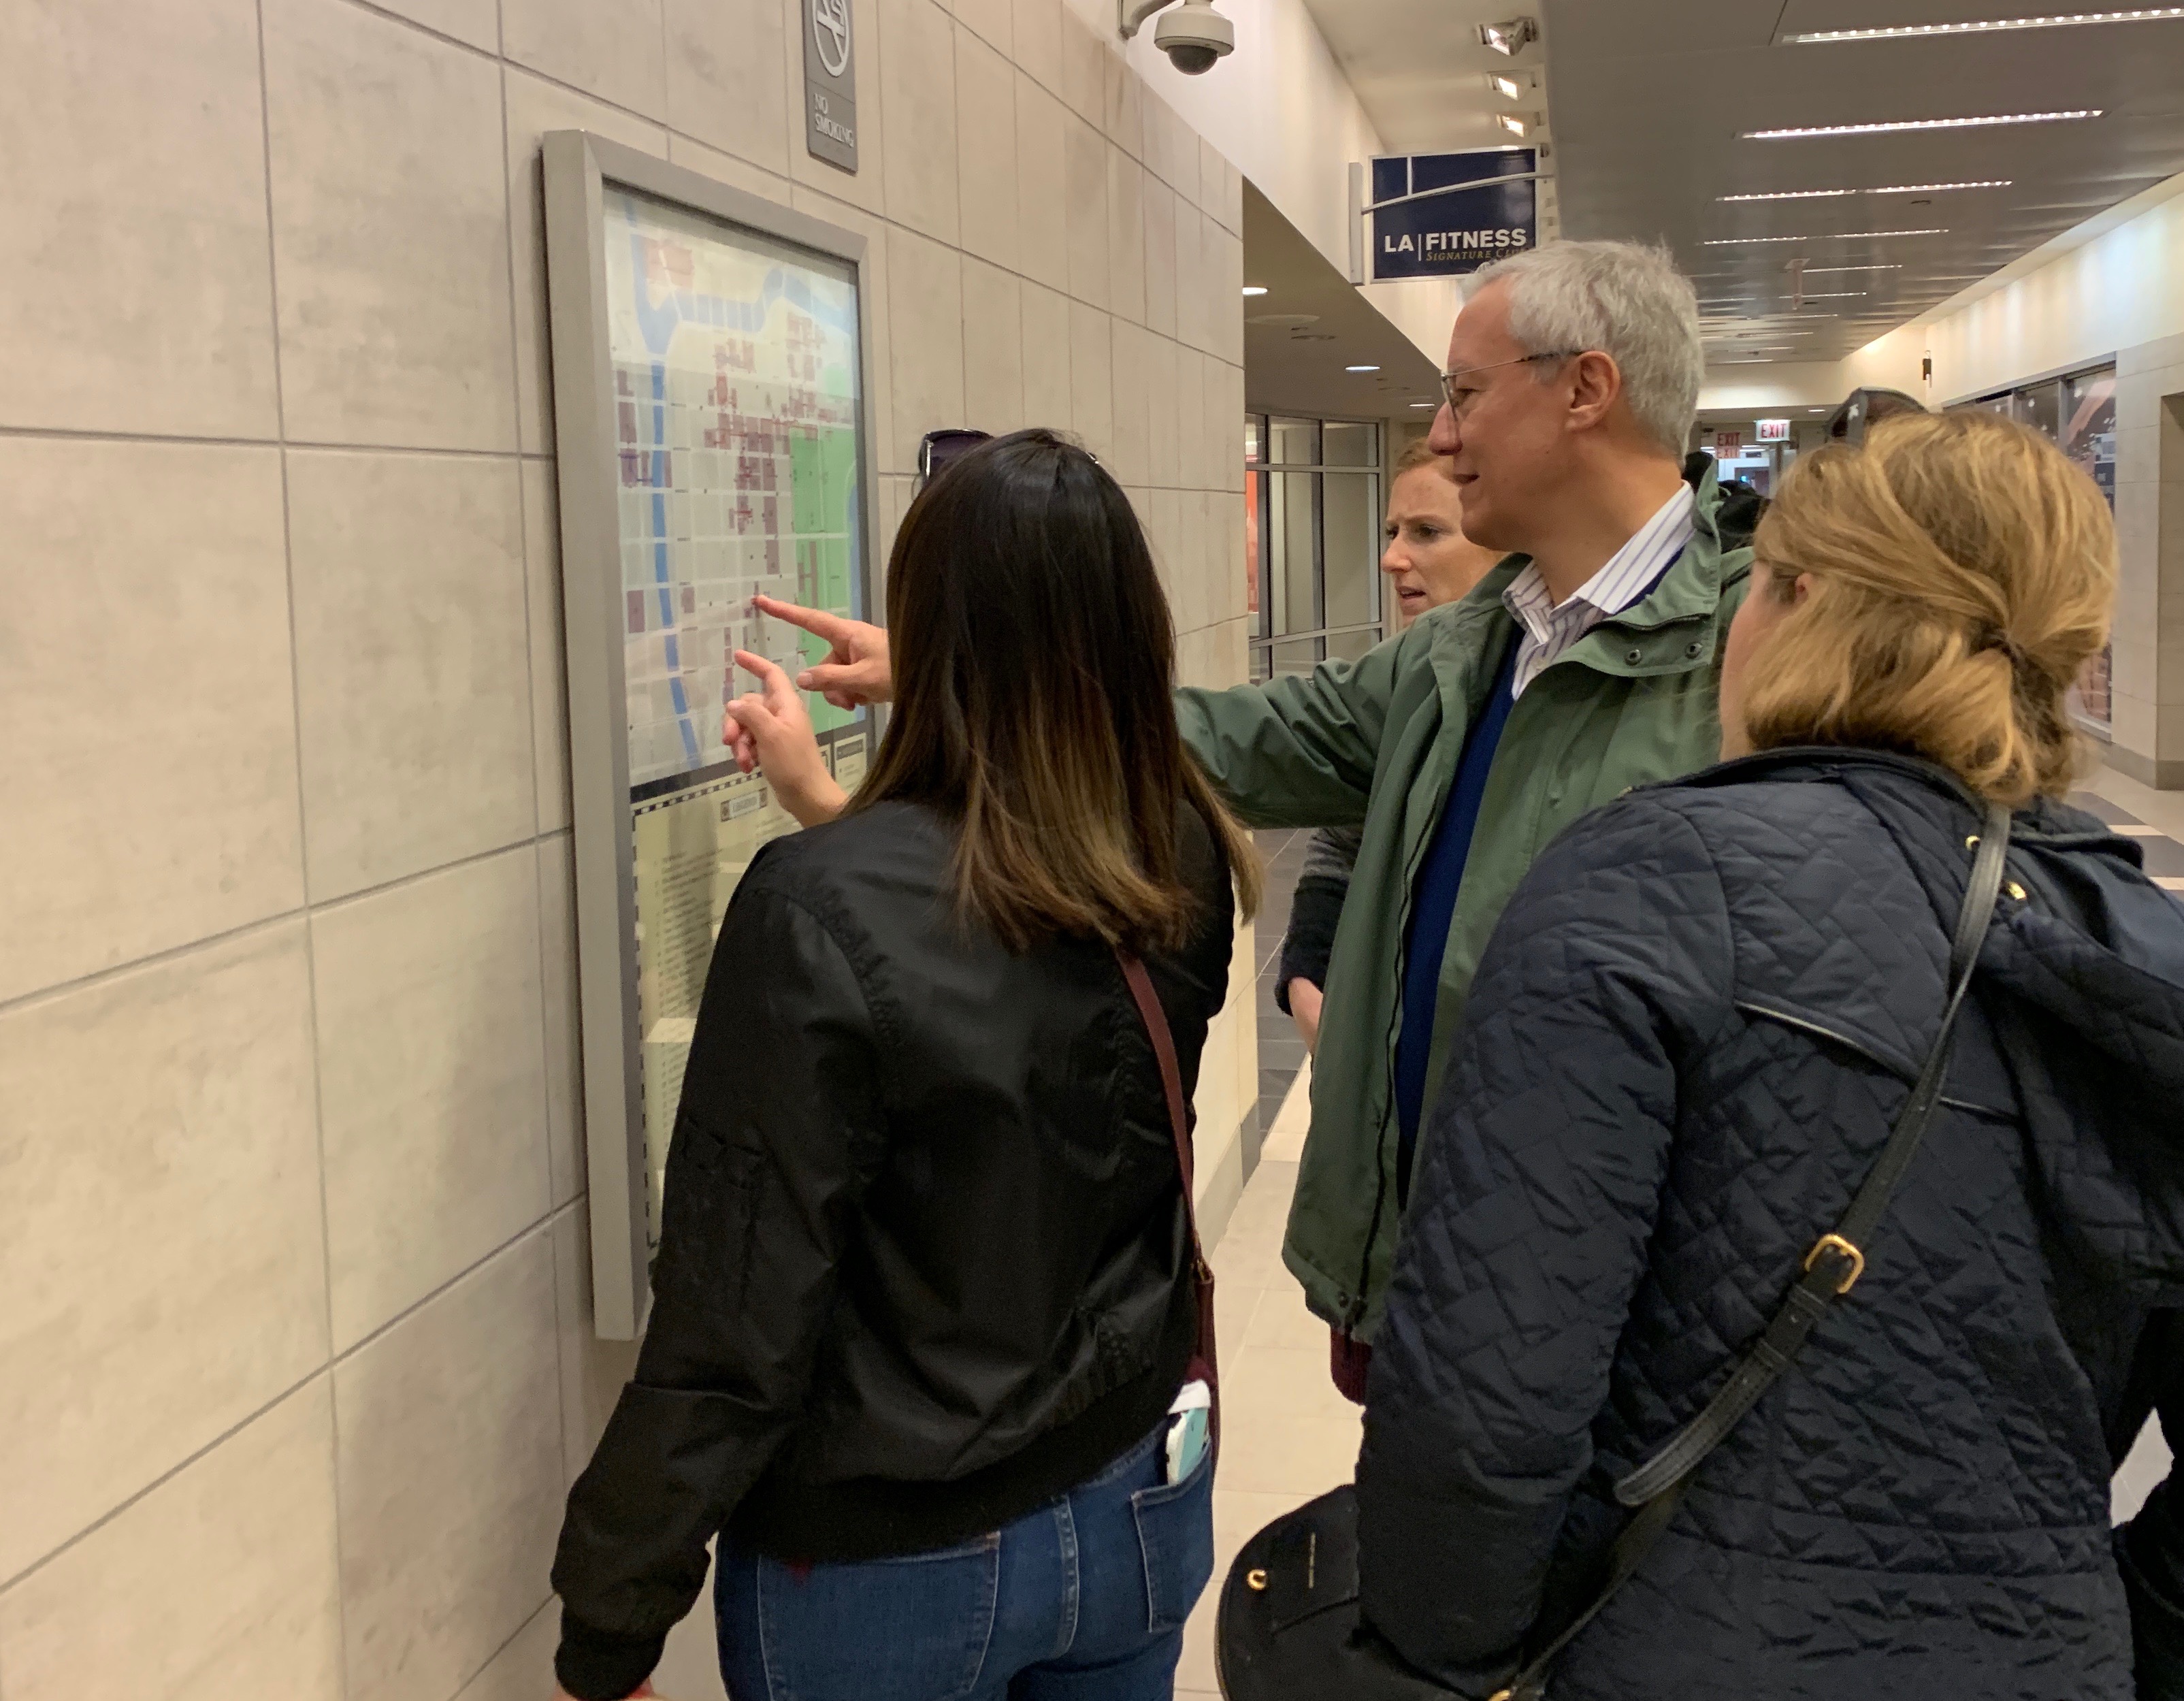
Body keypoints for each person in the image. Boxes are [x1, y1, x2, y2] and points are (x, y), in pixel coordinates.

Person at [753, 240, 1759, 1399]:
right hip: (1427, 1268)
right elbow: (1231, 738)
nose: (1440, 434)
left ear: (1584, 389)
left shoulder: (1752, 653)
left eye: (1463, 394)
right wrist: (949, 670)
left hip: (1624, 1305)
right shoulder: (1467, 648)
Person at [1354, 410, 2184, 1698]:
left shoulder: (1645, 883)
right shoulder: (2139, 942)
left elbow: (1484, 1405)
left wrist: (1437, 1660)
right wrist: (2120, 1627)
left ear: (1792, 602)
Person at [549, 430, 1259, 1701]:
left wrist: (608, 1619)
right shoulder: (1178, 845)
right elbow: (1013, 987)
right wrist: (848, 795)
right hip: (1135, 1500)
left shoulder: (817, 911)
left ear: (926, 629)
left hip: (899, 1563)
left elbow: (733, 1316)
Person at [1277, 438, 1499, 1054]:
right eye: (1393, 530)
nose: (1392, 558)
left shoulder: (1528, 686)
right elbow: (1343, 837)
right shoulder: (1406, 678)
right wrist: (1307, 979)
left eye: (1427, 532)